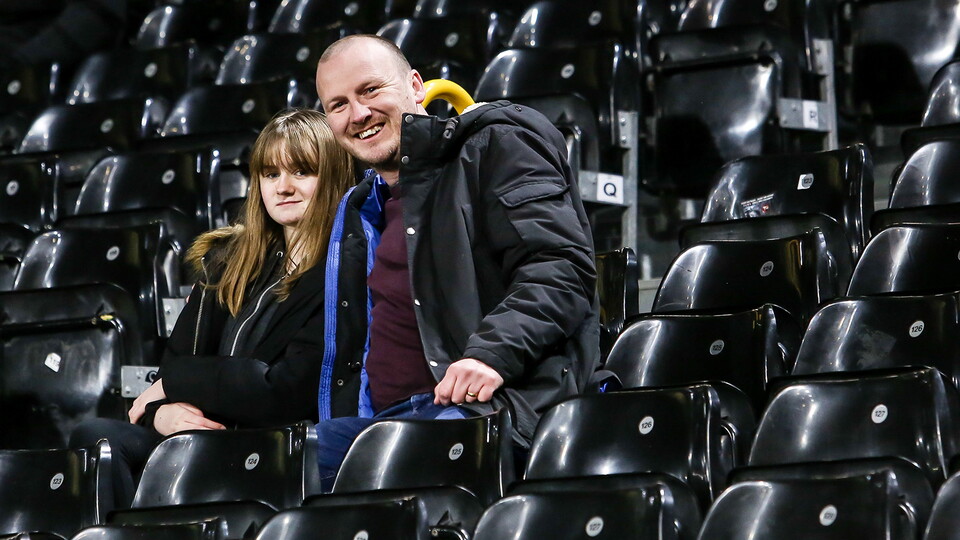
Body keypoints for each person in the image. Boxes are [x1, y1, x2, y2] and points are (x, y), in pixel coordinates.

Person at [313, 35, 599, 486]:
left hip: (490, 410)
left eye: (370, 90)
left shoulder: (495, 145)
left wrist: (491, 355)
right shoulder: (359, 208)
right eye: (338, 105)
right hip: (381, 423)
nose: (358, 114)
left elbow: (561, 269)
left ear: (416, 85)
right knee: (269, 468)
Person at [69, 108, 356, 507]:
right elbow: (176, 360)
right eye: (271, 174)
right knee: (97, 437)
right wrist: (163, 414)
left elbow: (282, 390)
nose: (283, 187)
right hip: (202, 428)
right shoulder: (230, 259)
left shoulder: (346, 269)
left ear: (332, 179)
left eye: (302, 172)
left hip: (272, 443)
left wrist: (174, 384)